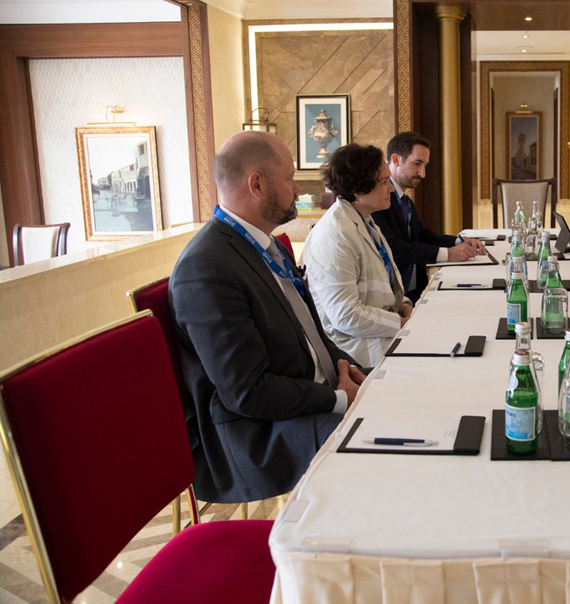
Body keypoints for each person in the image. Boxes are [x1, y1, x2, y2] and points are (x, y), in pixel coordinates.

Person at [170, 131, 365, 503]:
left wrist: (355, 373)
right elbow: (247, 392)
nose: (296, 189)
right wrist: (337, 397)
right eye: (289, 178)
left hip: (305, 395)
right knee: (372, 436)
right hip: (255, 435)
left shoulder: (268, 244)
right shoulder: (206, 267)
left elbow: (312, 334)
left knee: (394, 396)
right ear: (256, 184)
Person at [302, 144, 412, 368]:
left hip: (381, 335)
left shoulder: (365, 220)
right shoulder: (335, 235)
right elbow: (345, 315)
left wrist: (406, 307)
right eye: (383, 182)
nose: (390, 189)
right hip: (357, 353)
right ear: (357, 189)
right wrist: (401, 323)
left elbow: (387, 282)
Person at [372, 132, 486, 302]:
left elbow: (424, 236)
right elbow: (395, 249)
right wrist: (449, 254)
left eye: (425, 165)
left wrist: (459, 241)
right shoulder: (378, 201)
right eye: (417, 164)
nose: (423, 173)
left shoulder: (406, 201)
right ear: (395, 160)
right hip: (395, 298)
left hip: (415, 292)